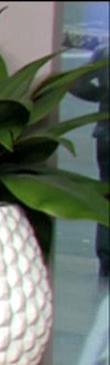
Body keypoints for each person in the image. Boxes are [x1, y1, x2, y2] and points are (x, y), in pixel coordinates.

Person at [69, 41, 109, 280]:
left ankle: (106, 260)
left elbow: (75, 83)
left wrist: (102, 96)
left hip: (106, 133)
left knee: (106, 196)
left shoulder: (105, 50)